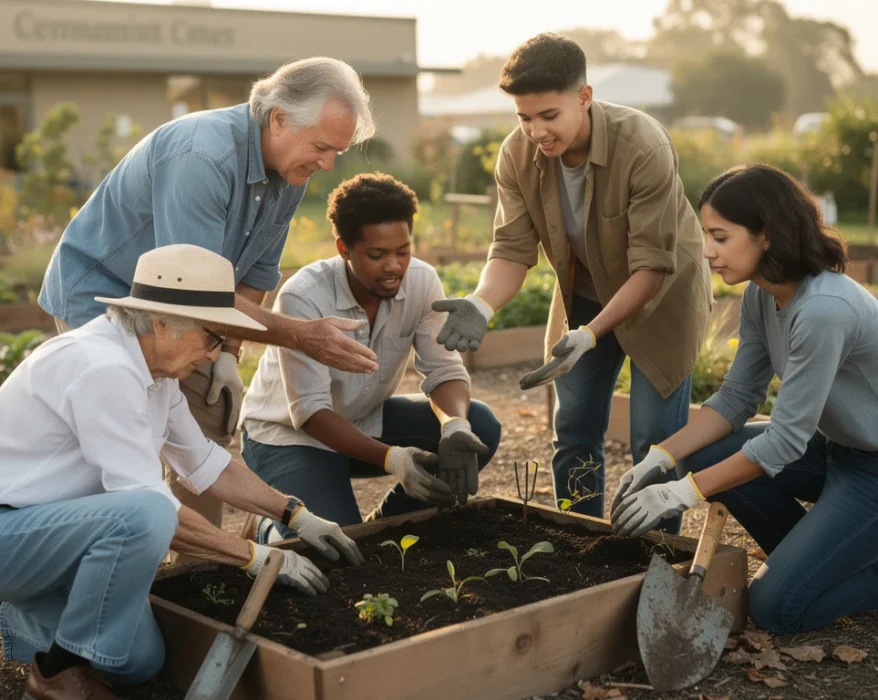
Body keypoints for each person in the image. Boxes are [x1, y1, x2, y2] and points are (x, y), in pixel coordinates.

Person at [0, 245, 363, 700]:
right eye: (213, 338)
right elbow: (156, 514)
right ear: (161, 323)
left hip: (57, 539)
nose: (215, 356)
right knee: (146, 513)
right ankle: (53, 674)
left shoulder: (158, 373)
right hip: (11, 535)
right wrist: (253, 556)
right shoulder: (103, 369)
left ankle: (27, 610)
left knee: (140, 662)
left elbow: (205, 463)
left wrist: (294, 514)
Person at [38, 57, 380, 534]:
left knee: (209, 425)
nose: (327, 163)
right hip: (103, 295)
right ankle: (121, 552)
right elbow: (194, 291)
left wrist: (228, 354)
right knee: (123, 434)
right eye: (322, 146)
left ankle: (195, 572)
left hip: (184, 302)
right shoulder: (202, 155)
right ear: (278, 117)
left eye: (336, 152)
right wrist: (303, 336)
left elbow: (257, 271)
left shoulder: (289, 173)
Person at [431, 33, 711, 524]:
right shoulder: (516, 156)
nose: (535, 131)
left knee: (653, 442)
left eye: (548, 116)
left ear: (584, 97)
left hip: (661, 297)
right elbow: (512, 250)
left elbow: (651, 265)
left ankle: (653, 555)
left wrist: (592, 335)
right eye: (524, 117)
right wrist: (482, 303)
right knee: (574, 429)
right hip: (582, 296)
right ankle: (581, 538)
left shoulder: (642, 143)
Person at [610, 164, 878, 635]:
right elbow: (737, 397)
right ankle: (822, 559)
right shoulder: (762, 294)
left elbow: (784, 443)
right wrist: (662, 456)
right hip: (841, 453)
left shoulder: (823, 310)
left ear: (767, 235)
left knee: (776, 608)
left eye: (720, 237)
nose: (708, 252)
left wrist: (683, 492)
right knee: (706, 455)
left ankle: (839, 568)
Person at [239, 173, 502, 537]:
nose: (394, 266)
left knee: (480, 425)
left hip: (363, 420)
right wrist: (394, 459)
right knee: (329, 542)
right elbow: (311, 412)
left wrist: (454, 424)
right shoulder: (304, 295)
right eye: (377, 255)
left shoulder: (422, 281)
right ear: (344, 249)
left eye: (403, 251)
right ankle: (268, 529)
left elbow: (443, 371)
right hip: (287, 436)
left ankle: (390, 526)